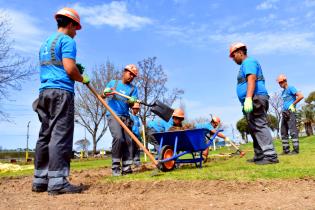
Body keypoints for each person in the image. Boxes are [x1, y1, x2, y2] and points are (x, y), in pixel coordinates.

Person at [32, 8, 90, 195]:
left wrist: (73, 68)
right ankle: (57, 182)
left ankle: (40, 180)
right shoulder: (68, 41)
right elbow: (69, 69)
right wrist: (81, 78)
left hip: (44, 92)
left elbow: (56, 65)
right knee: (60, 135)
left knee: (45, 134)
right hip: (61, 92)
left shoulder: (45, 43)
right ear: (71, 24)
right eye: (76, 28)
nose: (76, 33)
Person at [230, 42, 279, 165]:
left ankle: (270, 156)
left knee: (259, 125)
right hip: (252, 98)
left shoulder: (249, 62)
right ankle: (259, 155)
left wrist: (248, 98)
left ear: (239, 52)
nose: (233, 59)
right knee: (254, 128)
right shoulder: (245, 64)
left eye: (233, 55)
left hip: (255, 98)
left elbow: (251, 78)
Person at [103, 64, 138, 176]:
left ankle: (127, 167)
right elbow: (102, 95)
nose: (131, 76)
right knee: (118, 138)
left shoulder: (133, 89)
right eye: (130, 73)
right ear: (124, 71)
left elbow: (134, 108)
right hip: (113, 115)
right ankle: (116, 167)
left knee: (128, 141)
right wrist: (106, 92)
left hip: (125, 117)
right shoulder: (114, 83)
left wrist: (133, 103)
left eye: (133, 75)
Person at [277, 74, 304, 155]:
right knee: (283, 131)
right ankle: (286, 150)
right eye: (279, 83)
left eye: (281, 82)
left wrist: (293, 104)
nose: (280, 84)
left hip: (290, 112)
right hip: (284, 112)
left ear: (285, 81)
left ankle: (295, 150)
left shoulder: (291, 88)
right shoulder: (283, 92)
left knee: (292, 131)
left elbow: (301, 96)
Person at [130, 102, 142, 166]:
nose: (137, 110)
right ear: (132, 108)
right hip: (131, 135)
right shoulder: (130, 116)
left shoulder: (137, 118)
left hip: (137, 135)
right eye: (136, 109)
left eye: (138, 109)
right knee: (131, 148)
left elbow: (139, 127)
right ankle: (130, 161)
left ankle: (137, 161)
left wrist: (140, 136)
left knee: (137, 148)